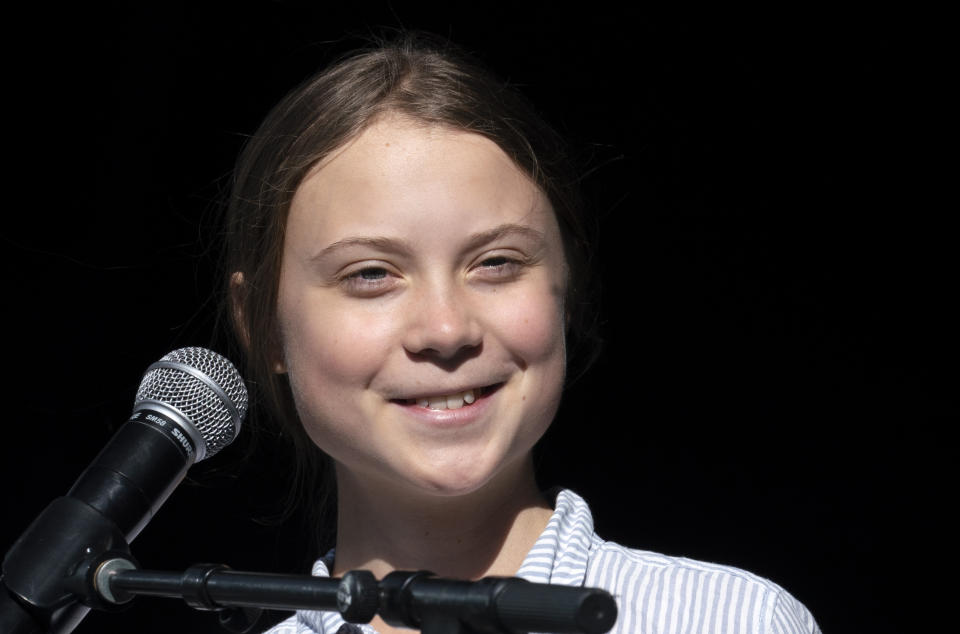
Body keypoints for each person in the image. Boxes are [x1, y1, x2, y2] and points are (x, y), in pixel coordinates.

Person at [224, 33, 820, 634]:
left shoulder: (735, 620)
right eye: (371, 274)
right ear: (264, 327)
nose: (447, 329)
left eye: (496, 263)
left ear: (567, 286)